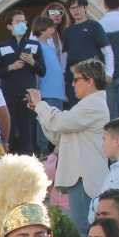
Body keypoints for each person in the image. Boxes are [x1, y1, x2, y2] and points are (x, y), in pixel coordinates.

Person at [29, 59, 110, 237]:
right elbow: (58, 136)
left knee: (83, 232)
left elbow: (60, 122)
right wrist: (40, 111)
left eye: (76, 79)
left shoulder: (93, 104)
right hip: (80, 178)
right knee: (81, 232)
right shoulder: (86, 105)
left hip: (85, 179)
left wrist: (41, 104)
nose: (72, 84)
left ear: (90, 81)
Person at [0, 10, 45, 155]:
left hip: (28, 96)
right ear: (10, 26)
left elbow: (42, 71)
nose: (22, 24)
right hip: (9, 95)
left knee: (28, 131)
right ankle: (9, 159)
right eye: (18, 22)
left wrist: (33, 62)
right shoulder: (2, 46)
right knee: (11, 130)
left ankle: (29, 159)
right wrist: (10, 67)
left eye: (24, 21)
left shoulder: (34, 44)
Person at [63, 0, 113, 105]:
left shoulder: (95, 26)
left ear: (85, 7)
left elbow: (107, 51)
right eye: (72, 8)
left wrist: (109, 73)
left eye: (78, 7)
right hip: (73, 79)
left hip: (92, 77)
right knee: (75, 108)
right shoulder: (68, 31)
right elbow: (64, 56)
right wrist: (63, 78)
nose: (75, 11)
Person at [34, 16, 68, 154]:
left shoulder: (49, 47)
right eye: (51, 27)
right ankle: (43, 151)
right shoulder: (36, 46)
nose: (54, 30)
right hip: (46, 91)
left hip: (56, 92)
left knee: (56, 123)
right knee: (44, 122)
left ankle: (55, 151)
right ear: (43, 29)